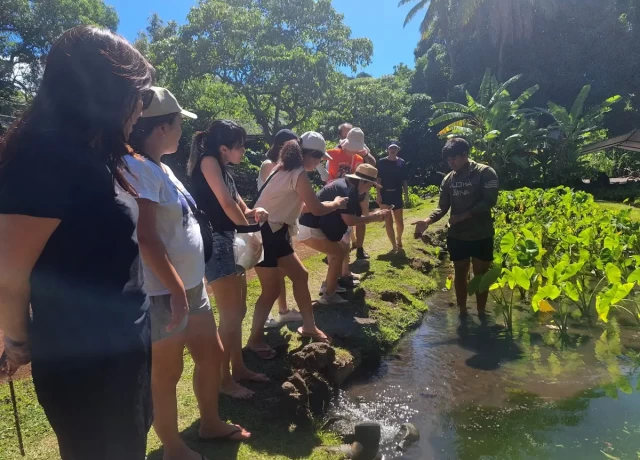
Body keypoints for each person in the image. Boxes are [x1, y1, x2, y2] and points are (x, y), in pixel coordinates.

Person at [0, 26, 153, 459]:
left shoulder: (90, 155)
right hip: (86, 363)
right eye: (135, 94)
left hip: (119, 350)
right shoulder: (45, 156)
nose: (140, 107)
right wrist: (18, 342)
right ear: (102, 93)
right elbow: (9, 275)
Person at [126, 88, 250, 459]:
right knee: (167, 374)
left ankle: (210, 423)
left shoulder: (161, 166)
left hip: (191, 287)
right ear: (162, 126)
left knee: (211, 355)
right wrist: (177, 288)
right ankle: (173, 448)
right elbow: (147, 238)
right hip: (165, 291)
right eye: (179, 123)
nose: (182, 131)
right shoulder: (136, 166)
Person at [188, 120, 269, 398]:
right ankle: (224, 381)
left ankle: (239, 368)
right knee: (230, 316)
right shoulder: (209, 161)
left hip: (230, 241)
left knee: (238, 311)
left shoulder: (223, 169)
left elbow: (238, 205)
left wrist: (255, 213)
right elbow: (225, 203)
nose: (244, 150)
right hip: (219, 242)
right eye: (240, 146)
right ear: (224, 148)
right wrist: (249, 228)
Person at [247, 133, 348, 352]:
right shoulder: (297, 173)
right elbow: (318, 209)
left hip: (276, 231)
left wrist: (328, 203)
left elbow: (301, 206)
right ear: (310, 155)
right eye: (320, 157)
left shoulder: (283, 169)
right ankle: (254, 340)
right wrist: (336, 203)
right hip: (265, 233)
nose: (321, 162)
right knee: (270, 290)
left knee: (301, 275)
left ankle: (309, 326)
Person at [413, 138, 499, 319]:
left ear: (465, 155)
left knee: (481, 274)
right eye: (448, 160)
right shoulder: (448, 179)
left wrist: (463, 215)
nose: (451, 163)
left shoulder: (485, 173)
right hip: (458, 235)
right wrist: (427, 221)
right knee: (460, 272)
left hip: (481, 233)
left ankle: (482, 312)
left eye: (454, 159)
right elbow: (442, 207)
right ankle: (462, 311)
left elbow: (489, 201)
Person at [299, 164, 391, 304]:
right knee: (338, 254)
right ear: (362, 182)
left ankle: (330, 285)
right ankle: (328, 296)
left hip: (317, 225)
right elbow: (350, 220)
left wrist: (375, 215)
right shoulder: (346, 191)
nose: (370, 188)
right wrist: (376, 217)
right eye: (371, 185)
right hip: (310, 227)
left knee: (341, 248)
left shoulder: (348, 187)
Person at [258, 129, 303, 328]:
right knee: (270, 275)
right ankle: (267, 316)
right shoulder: (271, 165)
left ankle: (283, 310)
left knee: (281, 271)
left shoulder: (282, 166)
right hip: (267, 224)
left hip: (280, 224)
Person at [327, 127, 375, 260]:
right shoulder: (334, 152)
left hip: (358, 191)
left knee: (361, 218)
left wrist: (365, 154)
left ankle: (359, 248)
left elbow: (372, 164)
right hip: (339, 191)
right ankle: (333, 249)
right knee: (337, 221)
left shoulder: (360, 155)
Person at [377, 143, 410, 252]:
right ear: (387, 149)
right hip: (385, 194)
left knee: (399, 222)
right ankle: (393, 246)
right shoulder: (381, 162)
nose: (392, 150)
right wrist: (378, 195)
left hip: (397, 195)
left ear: (398, 150)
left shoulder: (401, 162)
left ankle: (399, 239)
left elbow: (404, 180)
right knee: (388, 222)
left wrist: (406, 194)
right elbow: (378, 180)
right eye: (391, 148)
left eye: (395, 148)